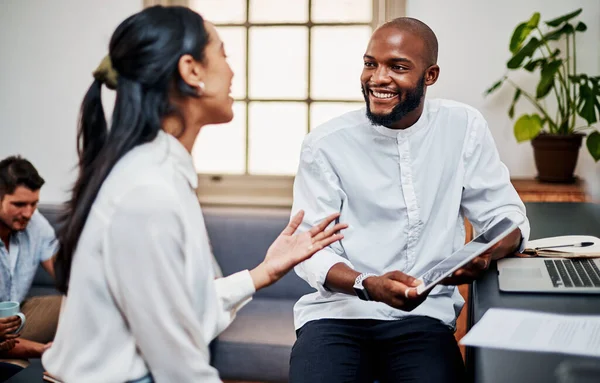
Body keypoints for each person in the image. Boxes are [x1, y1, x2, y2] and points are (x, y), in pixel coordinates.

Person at [41, 6, 346, 383]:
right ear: (191, 70)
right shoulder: (146, 190)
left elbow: (183, 311)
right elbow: (178, 365)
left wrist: (262, 273)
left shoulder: (161, 174)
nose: (232, 70)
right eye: (222, 52)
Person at [288, 17, 530, 383]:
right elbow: (309, 250)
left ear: (429, 75)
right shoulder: (325, 144)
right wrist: (368, 283)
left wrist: (487, 252)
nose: (378, 78)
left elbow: (506, 216)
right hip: (336, 317)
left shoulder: (463, 127)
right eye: (371, 63)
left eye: (397, 67)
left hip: (423, 319)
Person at [0, 156, 60, 359]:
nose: (28, 213)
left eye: (34, 204)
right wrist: (42, 350)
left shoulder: (35, 223)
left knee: (75, 303)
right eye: (19, 204)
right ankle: (45, 352)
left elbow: (63, 272)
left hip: (20, 315)